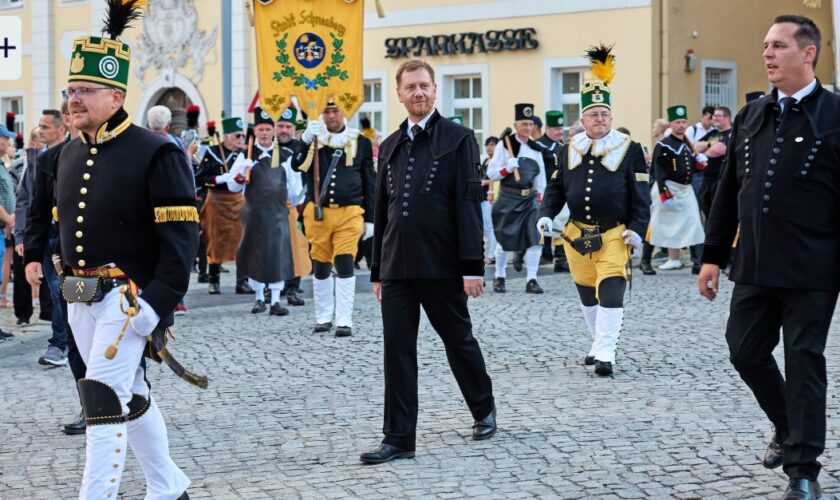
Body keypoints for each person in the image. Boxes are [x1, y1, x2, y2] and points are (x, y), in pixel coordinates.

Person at [25, 3, 197, 496]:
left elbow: (181, 242)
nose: (73, 100)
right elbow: (44, 215)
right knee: (132, 393)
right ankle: (168, 486)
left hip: (129, 301)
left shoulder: (156, 151)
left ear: (117, 95)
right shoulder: (63, 153)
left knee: (101, 396)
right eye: (70, 91)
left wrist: (154, 307)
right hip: (77, 295)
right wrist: (36, 255)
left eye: (85, 91)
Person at [699, 15, 837, 500]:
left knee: (803, 363)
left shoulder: (834, 115)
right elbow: (728, 191)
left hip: (813, 269)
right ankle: (785, 424)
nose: (767, 54)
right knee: (745, 351)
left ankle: (803, 471)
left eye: (778, 46)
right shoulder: (750, 116)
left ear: (808, 52)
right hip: (754, 264)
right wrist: (712, 256)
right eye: (764, 46)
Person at [361, 58, 496, 465]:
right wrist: (378, 271)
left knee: (458, 340)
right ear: (399, 94)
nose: (418, 93)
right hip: (398, 266)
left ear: (435, 90)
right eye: (410, 87)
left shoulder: (459, 138)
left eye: (424, 85)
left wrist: (472, 266)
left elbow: (469, 204)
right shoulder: (389, 145)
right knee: (397, 351)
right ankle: (399, 437)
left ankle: (483, 407)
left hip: (443, 266)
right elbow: (382, 210)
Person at [537, 44, 650, 376]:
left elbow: (640, 194)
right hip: (576, 234)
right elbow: (556, 188)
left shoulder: (629, 149)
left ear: (611, 118)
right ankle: (598, 343)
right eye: (593, 114)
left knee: (612, 286)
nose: (599, 119)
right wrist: (545, 213)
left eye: (604, 114)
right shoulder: (568, 148)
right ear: (582, 118)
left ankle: (606, 352)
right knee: (587, 292)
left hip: (614, 232)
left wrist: (638, 227)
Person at [290, 98, 375, 337]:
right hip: (318, 213)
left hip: (350, 212)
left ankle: (344, 320)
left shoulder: (360, 141)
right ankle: (324, 317)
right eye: (326, 111)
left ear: (344, 112)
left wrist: (371, 217)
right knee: (321, 265)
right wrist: (305, 139)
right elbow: (297, 166)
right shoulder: (314, 140)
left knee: (345, 261)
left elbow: (370, 180)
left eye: (335, 110)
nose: (331, 116)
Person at [236, 106, 302, 316]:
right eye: (261, 129)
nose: (264, 133)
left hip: (278, 214)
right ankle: (258, 299)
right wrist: (239, 172)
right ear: (255, 132)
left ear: (273, 131)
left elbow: (294, 188)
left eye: (268, 129)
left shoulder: (285, 155)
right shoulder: (246, 155)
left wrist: (293, 196)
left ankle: (275, 301)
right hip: (254, 214)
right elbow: (234, 186)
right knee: (256, 256)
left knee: (278, 255)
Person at [486, 103, 547, 294]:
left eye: (530, 124)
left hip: (529, 200)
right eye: (524, 124)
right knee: (506, 240)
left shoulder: (536, 148)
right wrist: (507, 168)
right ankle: (500, 276)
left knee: (536, 240)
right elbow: (491, 173)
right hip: (508, 199)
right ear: (515, 125)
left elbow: (541, 177)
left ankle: (532, 279)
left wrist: (541, 198)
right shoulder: (505, 145)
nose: (528, 128)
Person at [195, 116, 250, 294]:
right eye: (236, 136)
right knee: (214, 240)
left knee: (242, 241)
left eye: (242, 136)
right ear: (226, 136)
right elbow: (200, 178)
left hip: (237, 201)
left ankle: (242, 281)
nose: (240, 140)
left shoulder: (246, 154)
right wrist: (219, 179)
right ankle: (214, 279)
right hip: (216, 200)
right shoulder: (212, 152)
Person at [648, 105, 705, 273]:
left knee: (694, 224)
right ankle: (645, 261)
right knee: (658, 225)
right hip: (669, 189)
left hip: (686, 190)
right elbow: (657, 172)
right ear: (670, 125)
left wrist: (700, 163)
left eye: (684, 121)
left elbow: (690, 167)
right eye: (677, 122)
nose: (681, 125)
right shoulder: (663, 145)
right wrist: (665, 193)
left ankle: (697, 262)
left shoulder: (687, 144)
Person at [274, 107, 310, 307]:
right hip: (270, 207)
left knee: (296, 248)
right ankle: (273, 290)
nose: (284, 130)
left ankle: (292, 289)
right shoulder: (269, 147)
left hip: (295, 204)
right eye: (281, 126)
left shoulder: (300, 147)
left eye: (288, 126)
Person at [535, 110, 569, 273]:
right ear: (547, 128)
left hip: (562, 191)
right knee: (546, 223)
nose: (559, 132)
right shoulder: (539, 145)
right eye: (556, 129)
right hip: (546, 190)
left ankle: (561, 259)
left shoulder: (562, 146)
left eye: (561, 129)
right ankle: (545, 254)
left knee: (561, 225)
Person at [693, 106, 732, 217]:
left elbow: (720, 149)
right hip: (706, 179)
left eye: (718, 116)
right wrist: (710, 144)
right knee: (706, 210)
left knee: (718, 214)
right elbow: (695, 146)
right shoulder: (713, 133)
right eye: (714, 116)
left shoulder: (732, 133)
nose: (715, 118)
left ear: (727, 117)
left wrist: (704, 154)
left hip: (720, 179)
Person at [479, 136, 498, 264]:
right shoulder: (486, 160)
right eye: (487, 145)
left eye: (492, 144)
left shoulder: (497, 161)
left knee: (491, 227)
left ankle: (492, 255)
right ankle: (491, 253)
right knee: (486, 227)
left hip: (491, 197)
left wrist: (485, 182)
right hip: (482, 196)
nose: (488, 147)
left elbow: (495, 178)